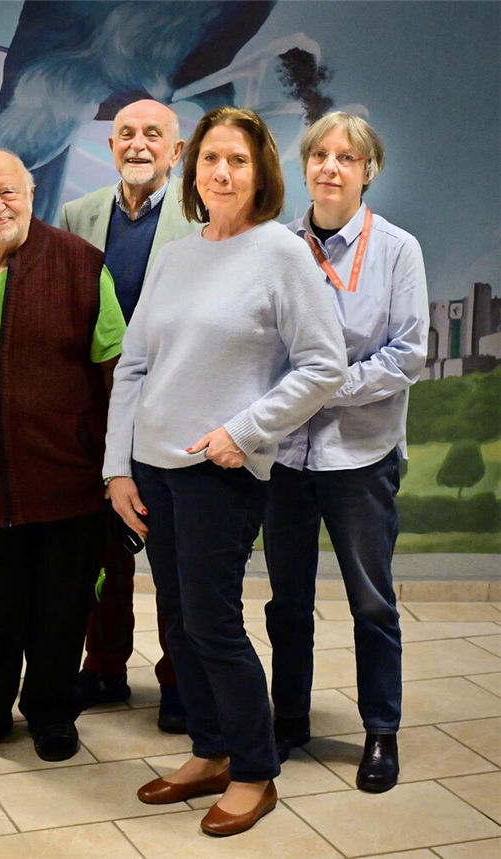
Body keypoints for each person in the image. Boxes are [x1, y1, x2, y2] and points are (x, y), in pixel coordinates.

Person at [102, 107, 347, 837]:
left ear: (260, 171)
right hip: (154, 466)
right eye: (210, 159)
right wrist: (118, 468)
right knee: (176, 619)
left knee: (213, 620)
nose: (222, 172)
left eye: (238, 160)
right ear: (192, 170)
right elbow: (136, 365)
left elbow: (324, 365)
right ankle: (209, 750)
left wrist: (247, 431)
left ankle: (254, 767)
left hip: (221, 467)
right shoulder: (177, 256)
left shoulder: (282, 254)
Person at [0, 149, 126, 767]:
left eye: (8, 192)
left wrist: (116, 466)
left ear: (32, 193)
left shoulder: (80, 263)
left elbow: (116, 372)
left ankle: (50, 711)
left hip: (67, 480)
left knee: (62, 611)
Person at [263, 113, 429, 792]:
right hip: (285, 459)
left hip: (360, 456)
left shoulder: (396, 249)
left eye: (347, 157)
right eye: (320, 155)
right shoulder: (274, 246)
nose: (331, 166)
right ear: (305, 167)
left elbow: (409, 353)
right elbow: (258, 341)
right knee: (286, 601)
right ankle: (288, 717)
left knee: (371, 602)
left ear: (369, 170)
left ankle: (380, 731)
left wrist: (324, 388)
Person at [59, 98, 198, 731]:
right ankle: (106, 666)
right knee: (102, 553)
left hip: (176, 410)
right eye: (124, 135)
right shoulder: (76, 215)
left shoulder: (201, 223)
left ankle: (178, 677)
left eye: (153, 134)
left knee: (172, 556)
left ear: (176, 148)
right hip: (98, 412)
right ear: (110, 147)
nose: (137, 144)